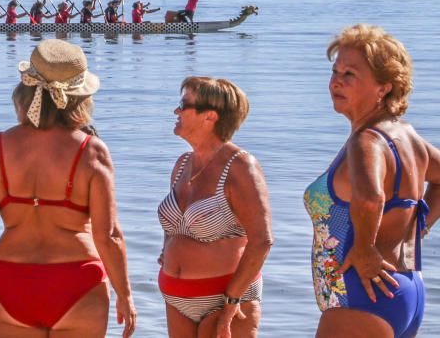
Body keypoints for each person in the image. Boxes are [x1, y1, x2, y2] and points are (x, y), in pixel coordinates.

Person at [0, 39, 136, 336]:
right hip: (77, 282)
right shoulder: (92, 152)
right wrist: (125, 295)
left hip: (11, 282)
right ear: (80, 98)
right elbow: (109, 236)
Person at [305, 24, 440, 338]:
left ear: (384, 87)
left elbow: (370, 198)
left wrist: (365, 249)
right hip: (403, 291)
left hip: (362, 297)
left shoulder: (366, 142)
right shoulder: (406, 136)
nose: (336, 81)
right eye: (335, 71)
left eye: (350, 74)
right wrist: (421, 224)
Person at [158, 77, 273, 337]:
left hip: (224, 300)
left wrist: (233, 300)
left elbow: (262, 241)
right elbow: (175, 226)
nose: (176, 111)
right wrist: (167, 250)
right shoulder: (182, 164)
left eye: (184, 104)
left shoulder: (241, 167)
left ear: (209, 116)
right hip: (176, 299)